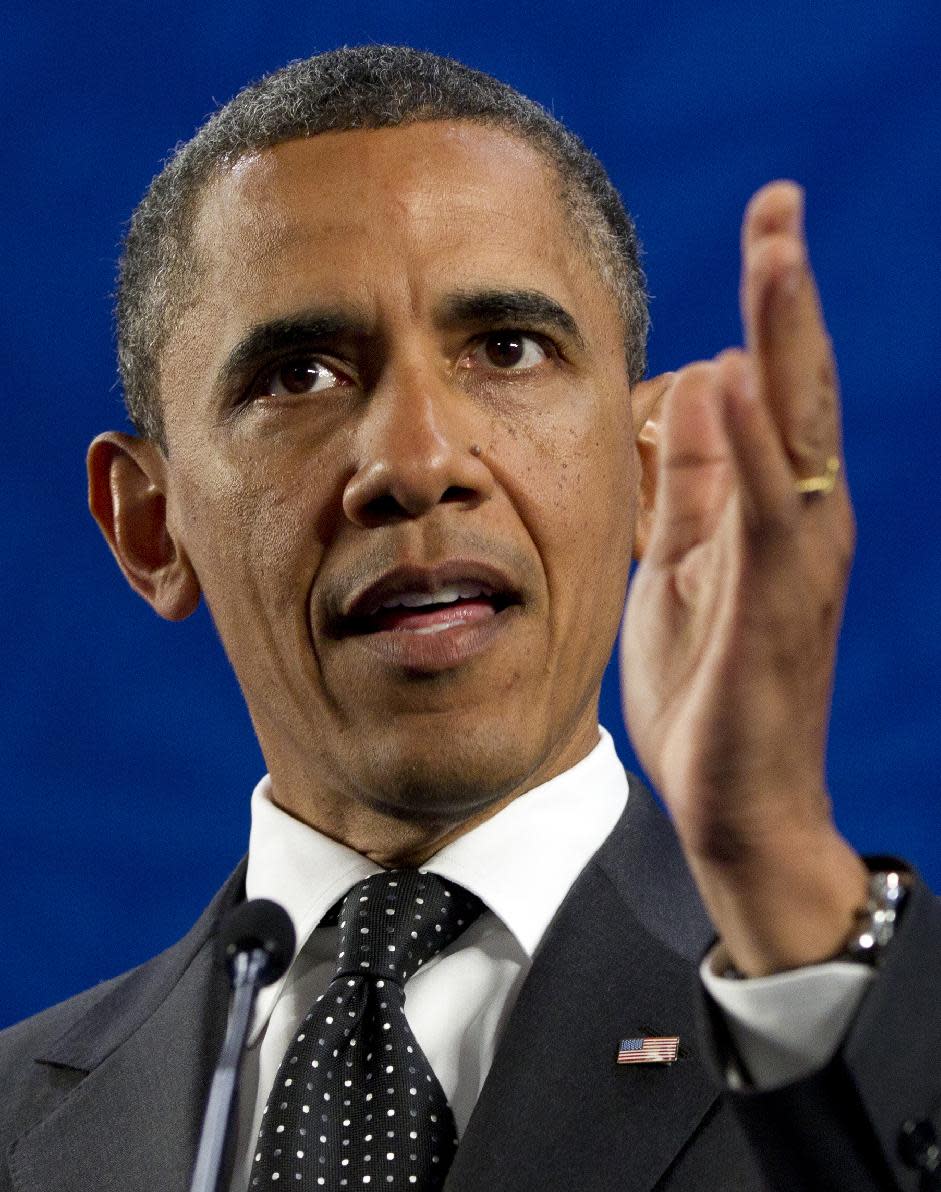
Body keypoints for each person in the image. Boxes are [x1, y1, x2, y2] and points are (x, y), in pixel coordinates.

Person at [1, 45, 938, 1192]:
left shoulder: (854, 1023)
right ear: (150, 525)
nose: (416, 460)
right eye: (299, 375)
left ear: (646, 470)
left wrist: (771, 857)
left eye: (505, 349)